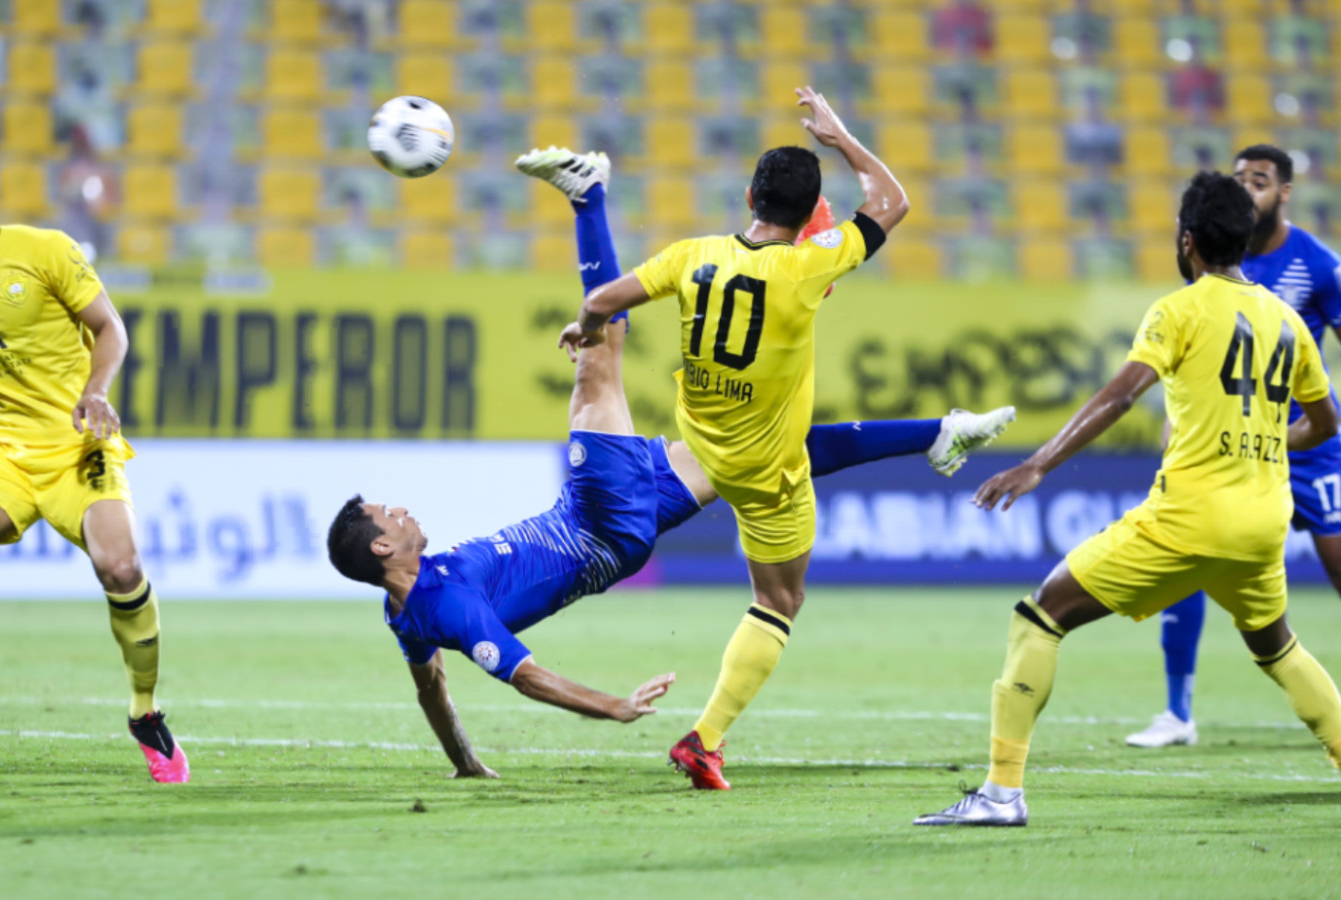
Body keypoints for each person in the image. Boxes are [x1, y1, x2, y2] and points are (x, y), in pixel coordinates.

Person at [324, 149, 1008, 779]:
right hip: (600, 521)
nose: (401, 510)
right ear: (382, 547)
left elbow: (432, 688)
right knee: (598, 359)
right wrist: (611, 707)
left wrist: (465, 762)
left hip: (617, 517)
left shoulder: (405, 613)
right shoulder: (447, 606)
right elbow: (524, 674)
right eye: (388, 514)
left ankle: (938, 434)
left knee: (771, 451)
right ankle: (588, 197)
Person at [915, 172, 1341, 827]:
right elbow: (1326, 422)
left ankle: (1000, 795)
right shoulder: (1288, 321)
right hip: (1262, 520)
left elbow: (1119, 397)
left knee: (1039, 617)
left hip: (1189, 518)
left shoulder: (1179, 310)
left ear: (1187, 239)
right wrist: (1262, 443)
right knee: (1277, 648)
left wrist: (1036, 464)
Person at [555, 88, 910, 789]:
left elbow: (600, 300)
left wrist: (585, 327)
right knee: (779, 603)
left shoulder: (694, 255)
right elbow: (891, 201)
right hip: (769, 471)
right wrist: (840, 137)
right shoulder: (808, 266)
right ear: (812, 217)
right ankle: (705, 739)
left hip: (700, 453)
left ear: (749, 196)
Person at [0, 156, 187, 784]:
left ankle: (144, 712)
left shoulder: (45, 250)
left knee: (121, 567)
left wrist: (96, 392)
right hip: (0, 451)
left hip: (77, 445)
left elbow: (110, 329)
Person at [1130, 144, 1341, 749]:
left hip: (1307, 446)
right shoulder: (1216, 258)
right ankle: (1178, 712)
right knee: (1186, 559)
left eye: (1261, 180)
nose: (1249, 187)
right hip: (1224, 444)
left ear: (1285, 193)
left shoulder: (1318, 267)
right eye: (1240, 178)